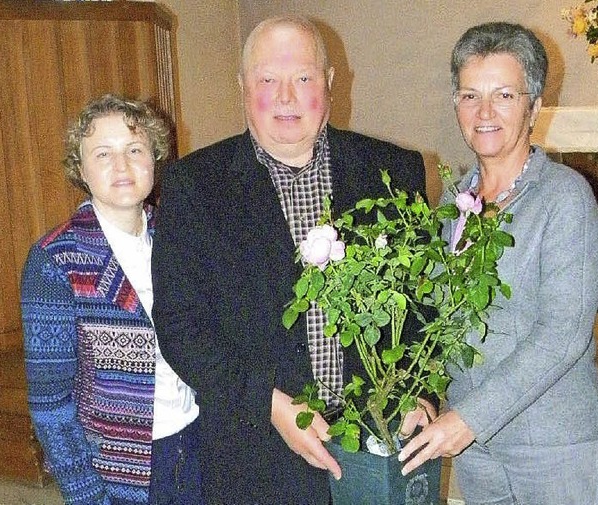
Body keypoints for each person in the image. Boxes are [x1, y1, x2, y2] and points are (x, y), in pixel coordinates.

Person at [151, 15, 427, 505]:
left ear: (331, 82)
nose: (285, 96)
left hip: (376, 444)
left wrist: (421, 394)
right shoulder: (193, 186)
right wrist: (267, 404)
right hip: (252, 452)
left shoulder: (393, 171)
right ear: (242, 87)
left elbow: (422, 302)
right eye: (267, 80)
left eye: (302, 78)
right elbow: (180, 324)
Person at [397, 22, 598, 504]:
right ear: (456, 106)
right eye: (470, 95)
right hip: (478, 451)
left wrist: (468, 418)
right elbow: (438, 320)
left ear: (533, 106)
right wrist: (425, 393)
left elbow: (563, 335)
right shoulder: (454, 203)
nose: (485, 112)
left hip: (552, 442)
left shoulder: (564, 198)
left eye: (504, 96)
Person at [21, 94, 202, 505]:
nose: (121, 166)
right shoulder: (54, 260)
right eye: (103, 153)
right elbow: (51, 403)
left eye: (135, 149)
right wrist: (86, 495)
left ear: (155, 158)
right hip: (118, 471)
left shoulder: (180, 237)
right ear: (81, 169)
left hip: (195, 447)